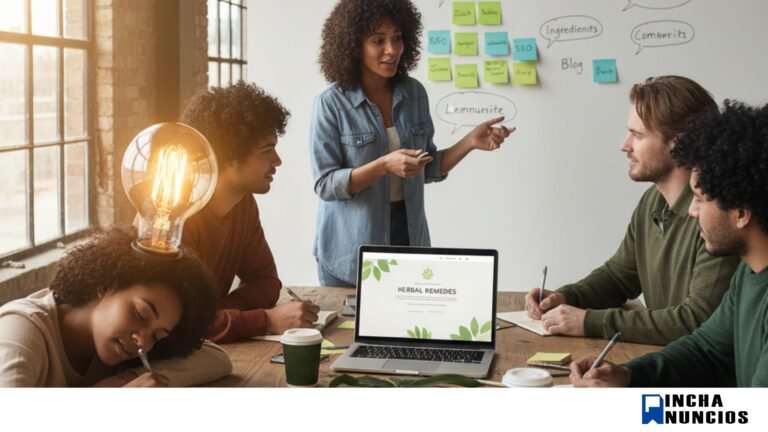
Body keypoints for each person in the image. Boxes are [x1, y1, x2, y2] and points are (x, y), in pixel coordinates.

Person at [310, 0, 514, 287]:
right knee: (350, 333)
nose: (391, 49)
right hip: (349, 250)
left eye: (397, 38)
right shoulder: (330, 104)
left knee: (408, 330)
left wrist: (469, 142)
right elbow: (326, 185)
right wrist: (384, 165)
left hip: (409, 237)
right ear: (354, 45)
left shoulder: (414, 94)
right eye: (378, 41)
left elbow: (427, 168)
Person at [525, 76, 740, 345]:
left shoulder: (717, 217)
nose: (624, 145)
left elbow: (696, 320)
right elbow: (618, 277)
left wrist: (589, 321)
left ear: (678, 142)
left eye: (637, 135)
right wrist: (566, 297)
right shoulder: (653, 201)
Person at [570, 101, 768, 387]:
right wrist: (629, 375)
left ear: (740, 214)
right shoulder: (749, 273)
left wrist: (635, 408)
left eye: (700, 199)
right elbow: (705, 349)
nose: (692, 211)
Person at [0, 227, 231, 387]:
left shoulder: (117, 347)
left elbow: (216, 359)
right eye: (141, 314)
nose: (142, 342)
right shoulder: (19, 331)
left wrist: (130, 379)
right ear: (106, 284)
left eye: (157, 336)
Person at [180, 81, 319, 342]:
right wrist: (265, 320)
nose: (278, 161)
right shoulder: (176, 217)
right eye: (267, 150)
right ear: (228, 156)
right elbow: (177, 326)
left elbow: (266, 280)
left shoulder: (242, 204)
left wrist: (220, 312)